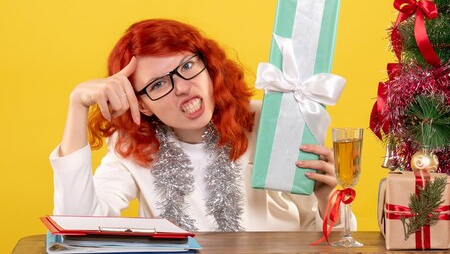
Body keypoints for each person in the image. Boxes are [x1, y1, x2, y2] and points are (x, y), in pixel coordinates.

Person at [51, 18, 341, 232]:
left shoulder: (269, 121)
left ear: (208, 64)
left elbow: (328, 235)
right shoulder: (132, 145)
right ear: (141, 103)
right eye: (159, 83)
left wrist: (328, 196)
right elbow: (77, 223)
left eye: (187, 66)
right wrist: (77, 106)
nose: (182, 88)